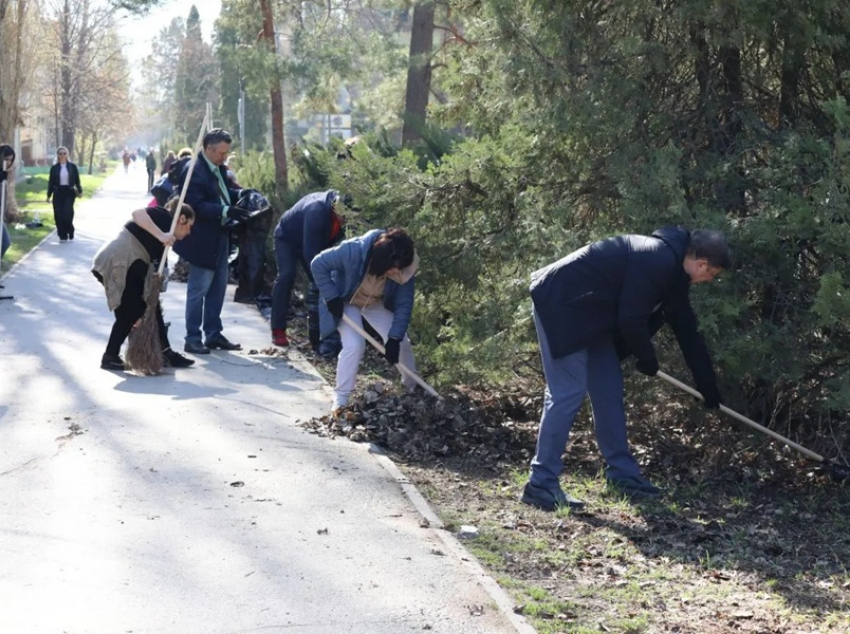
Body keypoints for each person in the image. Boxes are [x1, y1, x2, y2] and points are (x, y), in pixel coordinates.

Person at [521, 227, 732, 511]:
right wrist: (647, 357)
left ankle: (622, 475)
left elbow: (686, 329)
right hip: (562, 305)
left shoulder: (673, 274)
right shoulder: (656, 258)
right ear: (702, 264)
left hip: (591, 317)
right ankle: (540, 483)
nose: (708, 280)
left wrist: (707, 385)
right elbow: (631, 317)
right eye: (712, 275)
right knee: (567, 392)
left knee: (608, 388)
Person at [311, 228, 420, 410]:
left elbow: (404, 304)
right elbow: (318, 264)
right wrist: (331, 296)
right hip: (346, 300)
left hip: (374, 303)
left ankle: (413, 389)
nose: (395, 273)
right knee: (354, 344)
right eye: (392, 269)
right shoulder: (353, 251)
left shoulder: (404, 267)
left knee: (402, 342)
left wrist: (394, 338)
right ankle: (341, 398)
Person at [91, 200, 196, 371]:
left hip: (129, 264)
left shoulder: (167, 237)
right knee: (131, 312)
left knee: (151, 308)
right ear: (182, 218)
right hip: (119, 260)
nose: (189, 231)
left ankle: (165, 353)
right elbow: (137, 214)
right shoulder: (165, 217)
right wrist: (162, 235)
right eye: (189, 225)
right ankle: (110, 357)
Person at [172, 128, 250, 355]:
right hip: (203, 240)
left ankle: (213, 334)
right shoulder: (194, 170)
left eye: (226, 153)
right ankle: (192, 337)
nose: (224, 157)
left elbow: (221, 194)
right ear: (208, 149)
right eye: (221, 153)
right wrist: (226, 210)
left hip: (221, 235)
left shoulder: (216, 168)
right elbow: (195, 205)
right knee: (199, 289)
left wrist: (241, 195)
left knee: (218, 288)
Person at [271, 190, 346, 351]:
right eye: (345, 215)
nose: (347, 220)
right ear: (337, 207)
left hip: (312, 242)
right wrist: (321, 283)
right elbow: (310, 254)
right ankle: (278, 329)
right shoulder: (316, 211)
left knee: (324, 283)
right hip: (287, 238)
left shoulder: (340, 216)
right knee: (287, 275)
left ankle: (321, 335)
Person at [46, 147, 82, 243]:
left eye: (64, 153)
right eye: (60, 153)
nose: (62, 155)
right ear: (57, 155)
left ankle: (70, 230)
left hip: (69, 192)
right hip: (58, 192)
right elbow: (51, 182)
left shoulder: (72, 167)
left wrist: (80, 191)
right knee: (58, 214)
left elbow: (77, 180)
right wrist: (48, 195)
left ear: (67, 155)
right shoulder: (54, 168)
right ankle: (62, 235)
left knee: (67, 213)